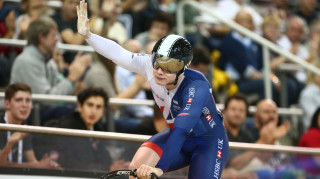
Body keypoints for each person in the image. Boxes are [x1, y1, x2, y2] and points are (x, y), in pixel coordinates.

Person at [77, 0, 229, 178]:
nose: (159, 72)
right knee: (137, 167)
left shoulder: (197, 86)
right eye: (157, 63)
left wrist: (159, 168)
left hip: (208, 144)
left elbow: (181, 129)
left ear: (183, 68)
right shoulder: (149, 65)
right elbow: (118, 54)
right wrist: (88, 36)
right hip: (179, 135)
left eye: (169, 67)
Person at [39, 87, 130, 171]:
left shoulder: (98, 128)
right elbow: (77, 165)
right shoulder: (69, 128)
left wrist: (114, 166)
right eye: (90, 105)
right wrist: (108, 168)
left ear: (103, 111)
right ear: (80, 107)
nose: (93, 111)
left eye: (98, 107)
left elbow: (105, 159)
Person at [10, 16, 91, 95]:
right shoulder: (27, 62)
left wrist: (73, 78)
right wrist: (71, 78)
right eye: (53, 35)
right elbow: (46, 99)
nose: (57, 39)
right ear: (41, 37)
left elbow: (58, 87)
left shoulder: (48, 60)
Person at [0, 83, 60, 169]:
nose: (24, 105)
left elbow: (33, 162)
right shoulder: (1, 125)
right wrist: (9, 144)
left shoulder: (24, 127)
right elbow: (1, 165)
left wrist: (47, 164)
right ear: (7, 104)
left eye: (28, 100)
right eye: (19, 100)